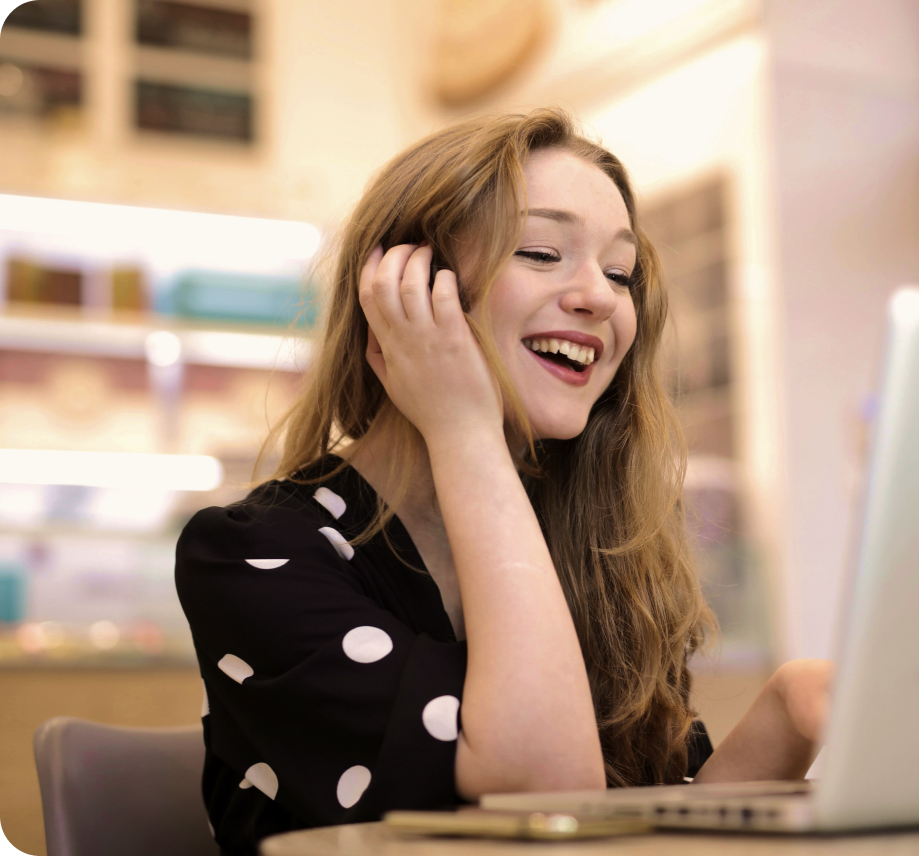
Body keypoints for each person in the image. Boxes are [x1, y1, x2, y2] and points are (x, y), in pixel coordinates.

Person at [175, 107, 832, 855]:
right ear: (408, 289)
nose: (601, 296)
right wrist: (463, 429)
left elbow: (643, 832)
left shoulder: (594, 546)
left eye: (620, 272)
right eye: (544, 252)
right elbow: (549, 794)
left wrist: (787, 715)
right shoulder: (251, 555)